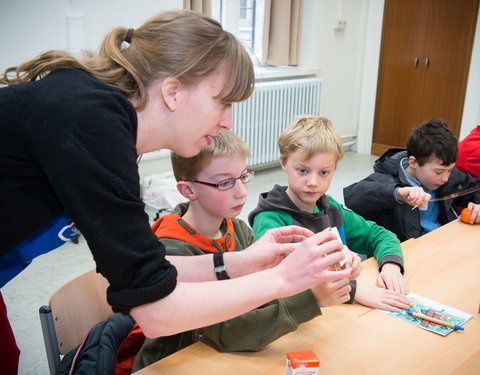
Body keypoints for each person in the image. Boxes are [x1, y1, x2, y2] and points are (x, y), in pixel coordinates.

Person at [0, 10, 350, 372]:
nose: (228, 121)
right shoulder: (91, 123)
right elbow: (157, 312)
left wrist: (243, 261)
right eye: (223, 102)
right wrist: (283, 279)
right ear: (173, 92)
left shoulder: (109, 123)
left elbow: (138, 267)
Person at [133, 129, 360, 370]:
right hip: (172, 364)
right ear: (188, 190)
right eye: (225, 182)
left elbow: (261, 298)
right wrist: (312, 299)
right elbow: (228, 332)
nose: (241, 191)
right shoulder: (172, 249)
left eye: (243, 177)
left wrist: (321, 274)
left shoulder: (236, 228)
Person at [248, 115, 412, 308]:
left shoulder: (329, 208)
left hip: (336, 309)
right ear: (284, 162)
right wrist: (354, 289)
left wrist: (391, 267)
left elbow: (379, 235)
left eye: (324, 172)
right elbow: (288, 279)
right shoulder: (269, 219)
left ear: (334, 169)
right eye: (303, 171)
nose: (313, 182)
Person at [344, 119, 480, 242]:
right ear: (413, 162)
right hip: (407, 253)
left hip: (443, 243)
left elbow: (475, 188)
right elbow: (353, 197)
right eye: (438, 172)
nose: (445, 178)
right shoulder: (387, 178)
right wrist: (396, 193)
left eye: (450, 170)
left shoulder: (446, 174)